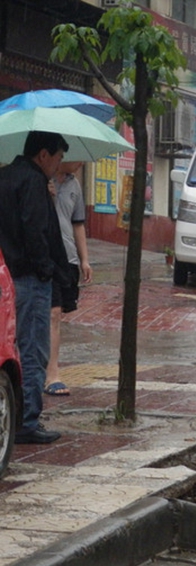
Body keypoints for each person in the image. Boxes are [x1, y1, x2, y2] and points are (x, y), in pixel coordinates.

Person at [0, 131, 70, 444]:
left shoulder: (5, 177)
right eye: (57, 157)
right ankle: (27, 420)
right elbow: (35, 231)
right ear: (43, 154)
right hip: (29, 279)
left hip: (6, 275)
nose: (58, 165)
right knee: (32, 350)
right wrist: (47, 271)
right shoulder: (32, 182)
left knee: (9, 349)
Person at [45, 161, 92, 397]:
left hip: (67, 258)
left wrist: (84, 259)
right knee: (51, 313)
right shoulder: (42, 180)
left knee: (57, 314)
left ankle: (49, 369)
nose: (81, 163)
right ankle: (50, 372)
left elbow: (78, 224)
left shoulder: (75, 185)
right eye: (77, 158)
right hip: (43, 256)